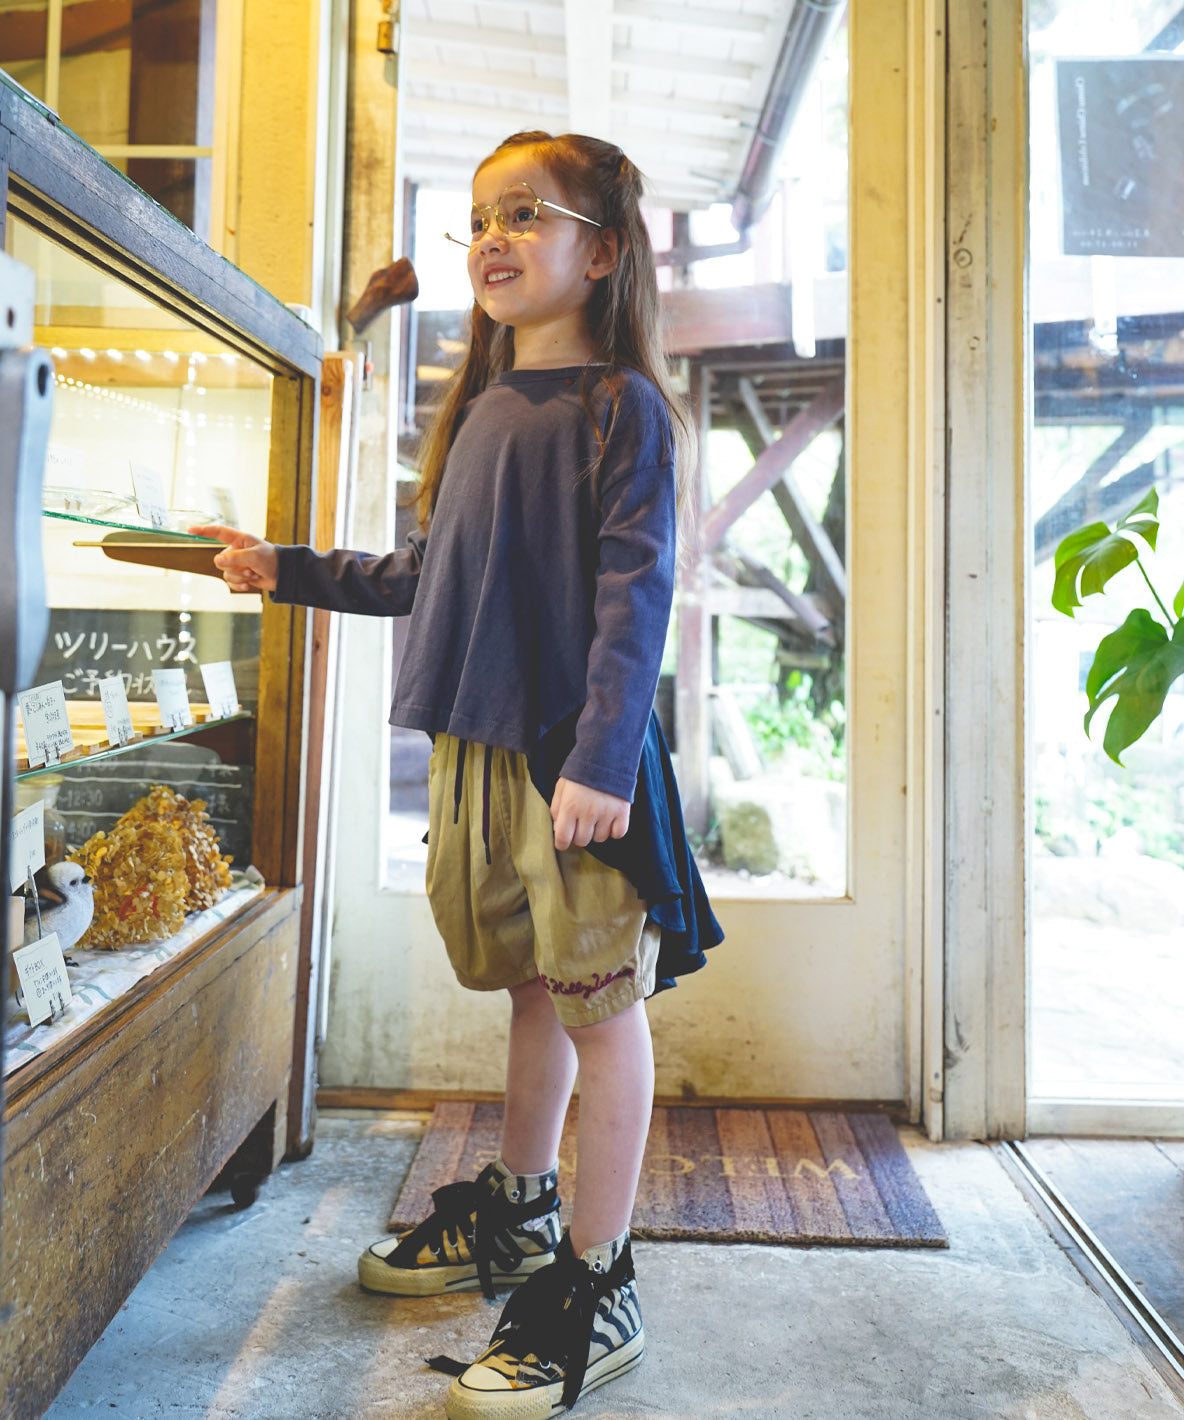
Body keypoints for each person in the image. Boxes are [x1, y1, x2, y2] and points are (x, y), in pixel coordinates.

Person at [193, 129, 722, 1419]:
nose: (493, 236)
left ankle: (599, 1277)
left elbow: (638, 596)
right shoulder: (482, 410)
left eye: (527, 213)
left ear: (604, 252)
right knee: (532, 985)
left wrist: (603, 759)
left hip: (575, 765)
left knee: (601, 1006)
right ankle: (523, 1209)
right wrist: (286, 567)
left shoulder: (622, 408)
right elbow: (427, 577)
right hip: (479, 750)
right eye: (480, 217)